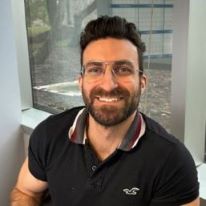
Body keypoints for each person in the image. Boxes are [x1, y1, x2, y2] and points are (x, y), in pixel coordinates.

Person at [10, 15, 199, 206]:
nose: (108, 85)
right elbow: (25, 192)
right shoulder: (49, 135)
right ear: (81, 81)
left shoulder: (172, 162)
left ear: (142, 82)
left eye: (123, 69)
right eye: (95, 69)